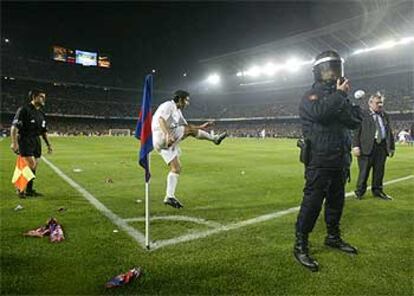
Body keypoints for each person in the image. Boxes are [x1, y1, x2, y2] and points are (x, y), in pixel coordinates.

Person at [294, 50, 362, 272]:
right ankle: (300, 245)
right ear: (317, 72)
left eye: (336, 69)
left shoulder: (339, 97)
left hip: (340, 160)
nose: (333, 75)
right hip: (320, 160)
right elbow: (321, 114)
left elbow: (355, 121)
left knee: (337, 201)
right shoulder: (310, 96)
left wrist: (342, 99)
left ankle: (333, 237)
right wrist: (341, 97)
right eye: (328, 70)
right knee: (312, 204)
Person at [152, 90, 227, 209]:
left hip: (163, 143)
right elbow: (161, 120)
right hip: (161, 136)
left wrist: (202, 126)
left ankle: (169, 196)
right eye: (186, 100)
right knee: (188, 131)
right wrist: (167, 134)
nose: (187, 103)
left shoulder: (178, 112)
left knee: (176, 168)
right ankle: (215, 139)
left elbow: (189, 128)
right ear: (179, 99)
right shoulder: (168, 105)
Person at [10, 89, 53, 197]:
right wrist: (14, 143)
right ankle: (20, 189)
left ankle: (29, 190)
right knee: (30, 164)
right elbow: (14, 127)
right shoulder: (24, 110)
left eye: (44, 97)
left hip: (36, 141)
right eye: (41, 97)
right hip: (25, 139)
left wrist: (48, 144)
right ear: (34, 97)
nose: (44, 99)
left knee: (34, 166)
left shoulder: (41, 113)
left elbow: (44, 131)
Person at [352, 93, 395, 200]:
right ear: (370, 103)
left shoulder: (385, 115)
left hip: (381, 147)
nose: (380, 105)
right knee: (364, 172)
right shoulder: (363, 114)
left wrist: (391, 147)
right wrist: (355, 146)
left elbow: (389, 132)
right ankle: (360, 192)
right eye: (377, 103)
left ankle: (378, 191)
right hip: (366, 147)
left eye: (381, 103)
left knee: (379, 171)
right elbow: (356, 131)